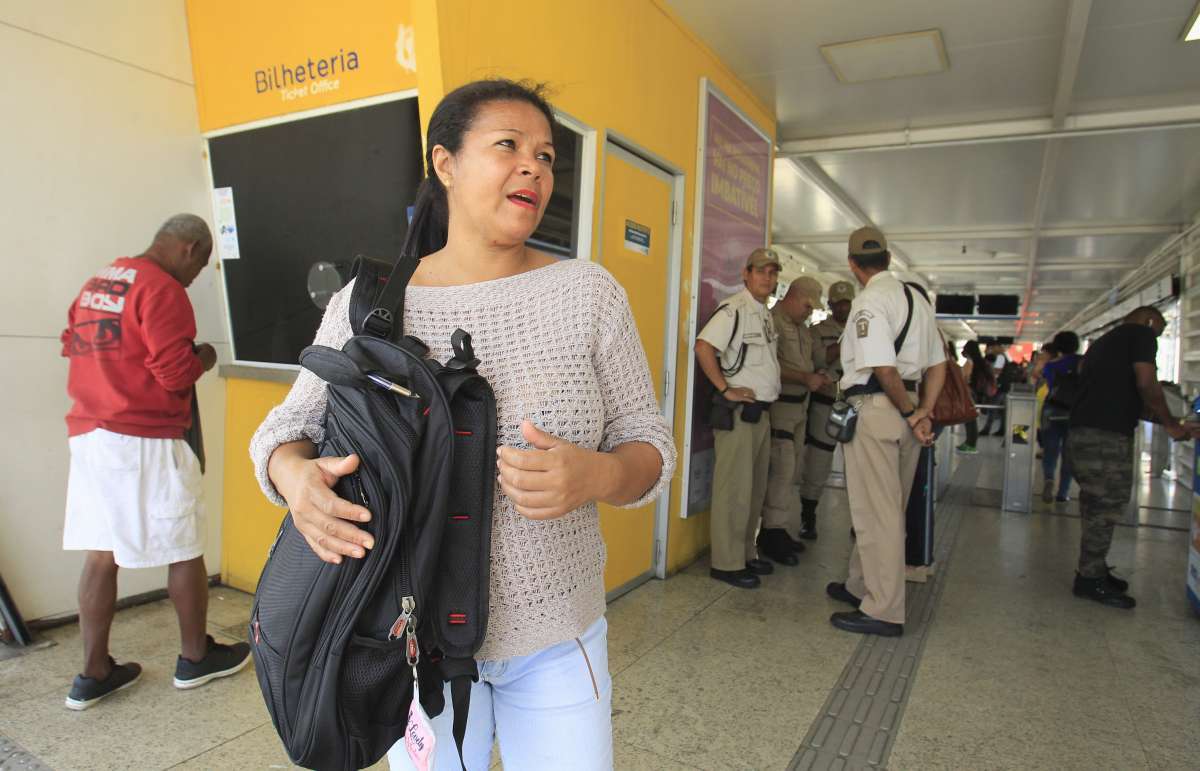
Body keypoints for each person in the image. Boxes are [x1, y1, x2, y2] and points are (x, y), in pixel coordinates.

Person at [250, 80, 675, 769]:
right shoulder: (370, 304)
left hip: (556, 638)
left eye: (545, 155)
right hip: (408, 641)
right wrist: (295, 477)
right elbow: (286, 427)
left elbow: (649, 442)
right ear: (445, 163)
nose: (533, 166)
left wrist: (597, 473)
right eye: (508, 145)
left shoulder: (588, 292)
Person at [60, 214, 248, 710]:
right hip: (145, 438)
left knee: (101, 553)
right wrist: (205, 355)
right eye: (201, 264)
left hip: (91, 435)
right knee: (184, 545)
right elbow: (175, 372)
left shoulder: (102, 280)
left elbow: (71, 343)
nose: (196, 276)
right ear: (189, 248)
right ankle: (195, 658)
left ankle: (94, 672)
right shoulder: (162, 290)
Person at [825, 227, 946, 637]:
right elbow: (938, 365)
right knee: (886, 507)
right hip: (907, 412)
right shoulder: (917, 299)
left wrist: (912, 411)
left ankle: (883, 609)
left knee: (877, 513)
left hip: (880, 410)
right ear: (889, 259)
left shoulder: (870, 302)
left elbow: (883, 367)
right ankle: (861, 585)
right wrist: (924, 411)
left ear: (853, 264)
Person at [1067, 307, 1200, 609]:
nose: (1159, 335)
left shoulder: (1103, 342)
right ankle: (1089, 580)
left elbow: (1123, 396)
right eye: (1162, 329)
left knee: (1095, 504)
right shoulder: (1140, 334)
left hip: (1084, 432)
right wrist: (1170, 424)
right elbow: (1146, 383)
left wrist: (1172, 421)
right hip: (1105, 438)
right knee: (1106, 505)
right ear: (1151, 321)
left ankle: (1094, 568)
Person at [695, 248, 782, 588]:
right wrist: (724, 388)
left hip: (761, 415)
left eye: (773, 272)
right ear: (746, 273)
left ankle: (746, 553)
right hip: (739, 415)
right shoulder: (734, 310)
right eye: (762, 271)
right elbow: (704, 347)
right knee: (736, 491)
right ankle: (726, 563)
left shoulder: (763, 313)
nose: (768, 277)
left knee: (755, 489)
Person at [759, 277, 830, 564]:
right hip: (780, 410)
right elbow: (770, 366)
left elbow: (813, 362)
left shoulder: (803, 329)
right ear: (793, 295)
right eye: (806, 304)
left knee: (792, 471)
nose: (809, 312)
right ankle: (770, 532)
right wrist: (804, 377)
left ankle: (777, 527)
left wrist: (819, 375)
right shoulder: (771, 321)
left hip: (800, 409)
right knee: (782, 469)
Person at [796, 280, 855, 539]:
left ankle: (860, 521)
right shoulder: (818, 331)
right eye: (838, 303)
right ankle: (808, 515)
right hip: (826, 402)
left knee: (861, 465)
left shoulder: (864, 329)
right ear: (830, 305)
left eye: (847, 303)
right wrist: (845, 343)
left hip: (856, 402)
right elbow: (817, 359)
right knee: (819, 463)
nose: (843, 307)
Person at [1040, 331, 1080, 503]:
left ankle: (1049, 478)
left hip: (1052, 409)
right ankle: (1063, 493)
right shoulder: (1082, 362)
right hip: (1075, 412)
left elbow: (1047, 383)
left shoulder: (1051, 365)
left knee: (1050, 449)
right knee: (1069, 453)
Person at [956, 339, 995, 454]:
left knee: (969, 419)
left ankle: (970, 444)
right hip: (976, 392)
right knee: (971, 418)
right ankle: (970, 443)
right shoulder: (981, 362)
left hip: (968, 392)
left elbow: (965, 378)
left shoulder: (969, 362)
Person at [980, 342, 1010, 436]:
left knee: (993, 409)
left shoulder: (1000, 357)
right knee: (1002, 411)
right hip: (1004, 387)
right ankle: (1002, 430)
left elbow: (996, 372)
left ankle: (987, 429)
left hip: (1000, 387)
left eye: (991, 348)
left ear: (997, 347)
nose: (990, 351)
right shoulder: (1004, 357)